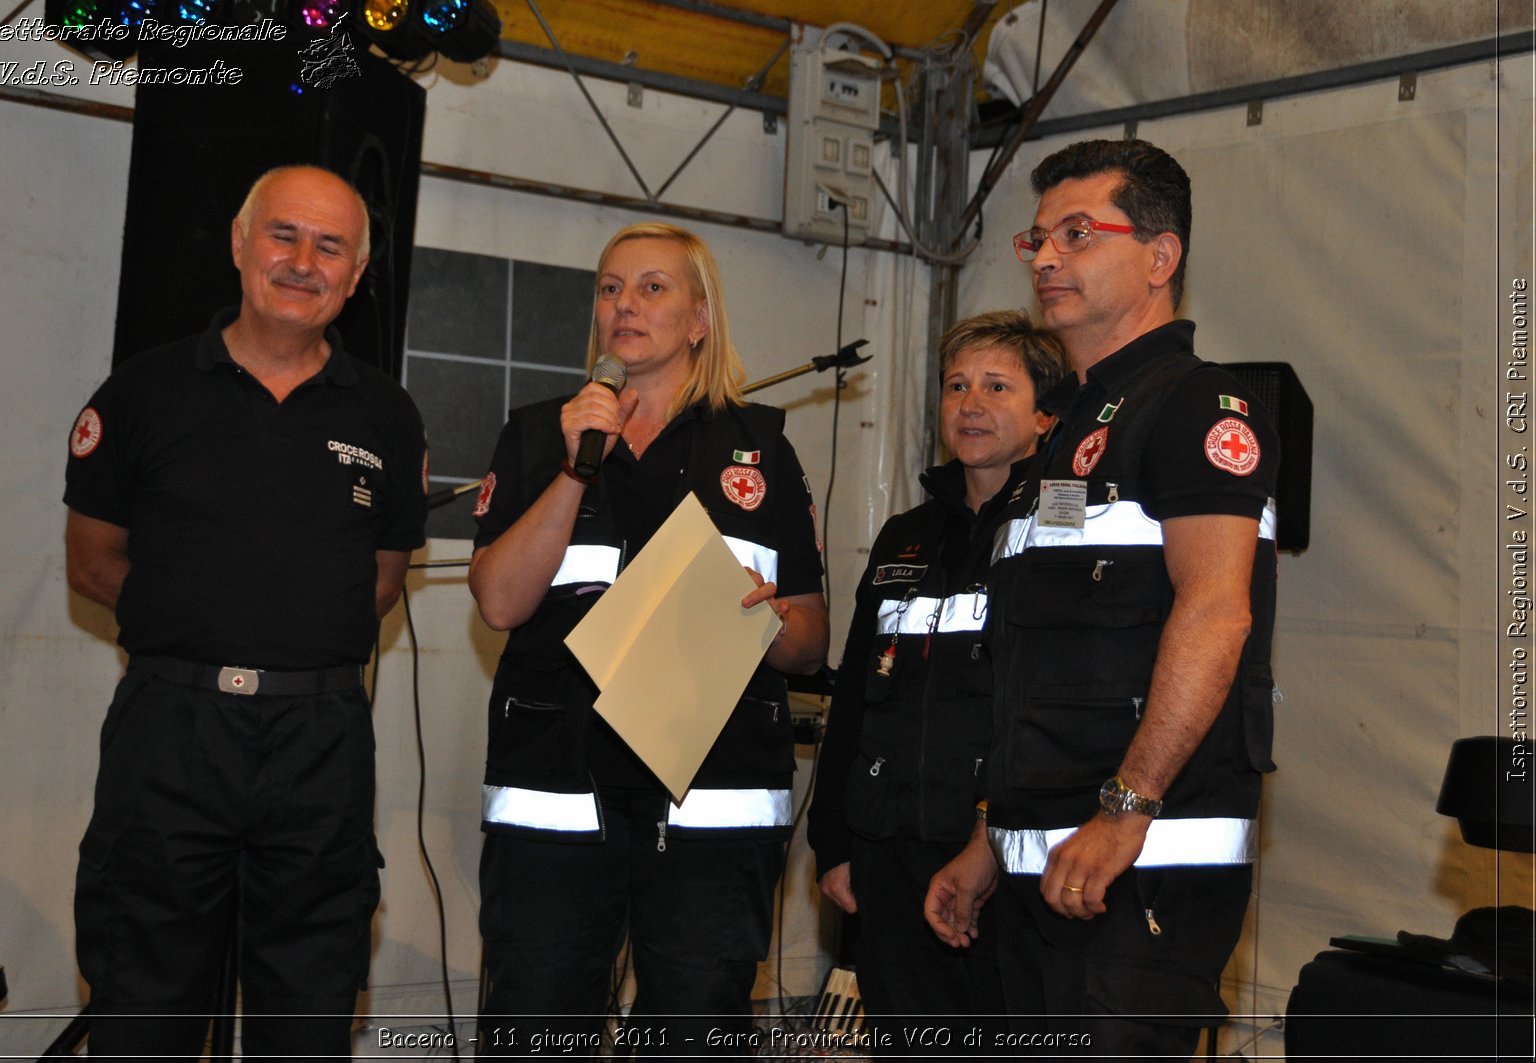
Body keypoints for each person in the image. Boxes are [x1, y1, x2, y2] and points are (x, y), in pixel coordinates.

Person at [925, 139, 1280, 1056]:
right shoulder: (1065, 433)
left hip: (1143, 861)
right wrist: (988, 840)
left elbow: (1217, 611)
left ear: (1161, 259)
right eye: (1038, 238)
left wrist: (1129, 805)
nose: (1047, 258)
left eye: (1079, 235)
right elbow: (1040, 657)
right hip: (1041, 865)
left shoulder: (1199, 406)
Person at [64, 165, 428, 1059]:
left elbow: (380, 579)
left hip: (322, 746)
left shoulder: (388, 415)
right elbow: (92, 563)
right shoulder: (140, 393)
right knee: (143, 1013)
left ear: (356, 273)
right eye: (283, 235)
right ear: (239, 243)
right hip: (169, 735)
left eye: (330, 246)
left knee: (305, 1020)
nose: (303, 262)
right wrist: (207, 628)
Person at [467, 222, 828, 1054]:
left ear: (700, 318)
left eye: (652, 287)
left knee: (696, 1029)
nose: (625, 304)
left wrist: (767, 621)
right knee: (535, 1026)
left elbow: (810, 640)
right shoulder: (537, 433)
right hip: (559, 791)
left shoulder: (760, 447)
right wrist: (572, 467)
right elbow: (496, 600)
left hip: (710, 797)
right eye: (610, 288)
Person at [808, 311, 1067, 1047]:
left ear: (1046, 415)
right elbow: (856, 692)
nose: (970, 403)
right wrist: (834, 842)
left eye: (995, 385)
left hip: (1000, 860)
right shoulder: (905, 537)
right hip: (890, 852)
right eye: (956, 385)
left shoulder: (1063, 530)